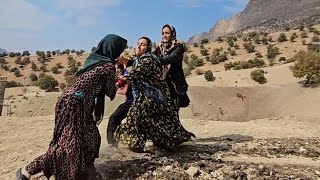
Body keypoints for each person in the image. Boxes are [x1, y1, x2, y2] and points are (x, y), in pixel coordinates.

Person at [16, 34, 127, 180]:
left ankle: (87, 172)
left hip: (70, 101)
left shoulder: (95, 60)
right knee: (67, 144)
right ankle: (28, 171)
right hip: (76, 105)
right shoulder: (107, 67)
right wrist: (121, 78)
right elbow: (110, 91)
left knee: (91, 137)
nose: (120, 53)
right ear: (114, 48)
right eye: (120, 49)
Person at [114, 36, 195, 153]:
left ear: (147, 48)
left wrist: (118, 83)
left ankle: (137, 144)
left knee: (138, 115)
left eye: (142, 44)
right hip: (148, 96)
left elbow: (135, 73)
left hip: (156, 98)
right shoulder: (138, 59)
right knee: (146, 119)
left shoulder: (149, 59)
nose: (138, 46)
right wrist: (123, 64)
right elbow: (128, 64)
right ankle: (138, 144)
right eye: (137, 43)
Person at [153, 24, 190, 110]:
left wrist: (157, 60)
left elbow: (171, 58)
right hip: (162, 85)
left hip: (174, 85)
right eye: (162, 33)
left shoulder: (178, 46)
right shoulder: (160, 47)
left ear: (172, 34)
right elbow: (150, 56)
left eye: (167, 33)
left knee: (173, 114)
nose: (164, 35)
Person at [106, 63, 133, 147]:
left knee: (114, 118)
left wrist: (114, 91)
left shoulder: (125, 76)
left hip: (131, 102)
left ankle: (113, 143)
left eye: (117, 69)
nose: (116, 71)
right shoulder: (124, 75)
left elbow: (124, 91)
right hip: (130, 101)